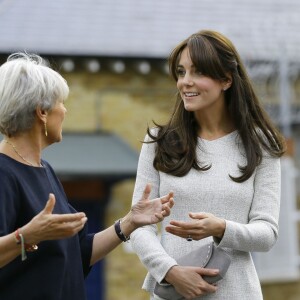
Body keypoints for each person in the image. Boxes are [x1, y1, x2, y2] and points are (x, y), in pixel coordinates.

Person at [0, 52, 175, 300]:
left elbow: (79, 251)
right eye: (61, 102)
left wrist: (130, 221)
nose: (65, 110)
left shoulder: (44, 169)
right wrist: (27, 236)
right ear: (42, 112)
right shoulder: (3, 172)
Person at [130, 29, 286, 300]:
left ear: (226, 79)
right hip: (173, 292)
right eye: (181, 72)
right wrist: (170, 271)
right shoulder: (158, 141)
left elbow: (267, 233)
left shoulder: (261, 145)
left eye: (197, 72)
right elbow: (139, 225)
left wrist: (221, 228)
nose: (185, 82)